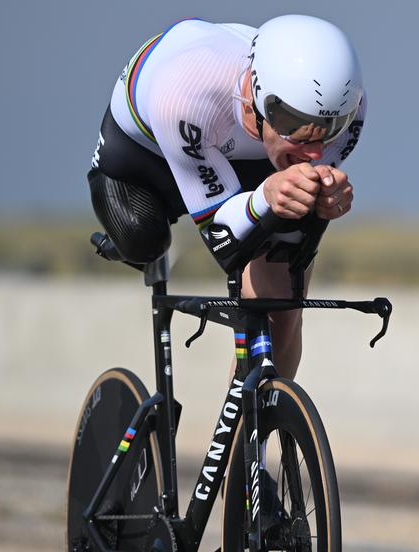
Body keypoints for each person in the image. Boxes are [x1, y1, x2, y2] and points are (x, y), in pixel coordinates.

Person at [88, 14, 366, 381]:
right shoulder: (186, 92)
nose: (316, 151)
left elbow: (290, 231)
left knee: (280, 313)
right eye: (299, 128)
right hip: (147, 155)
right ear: (257, 104)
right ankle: (131, 247)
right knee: (145, 240)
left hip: (254, 158)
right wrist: (266, 197)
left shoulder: (350, 107)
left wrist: (324, 199)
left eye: (330, 129)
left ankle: (249, 431)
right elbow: (224, 242)